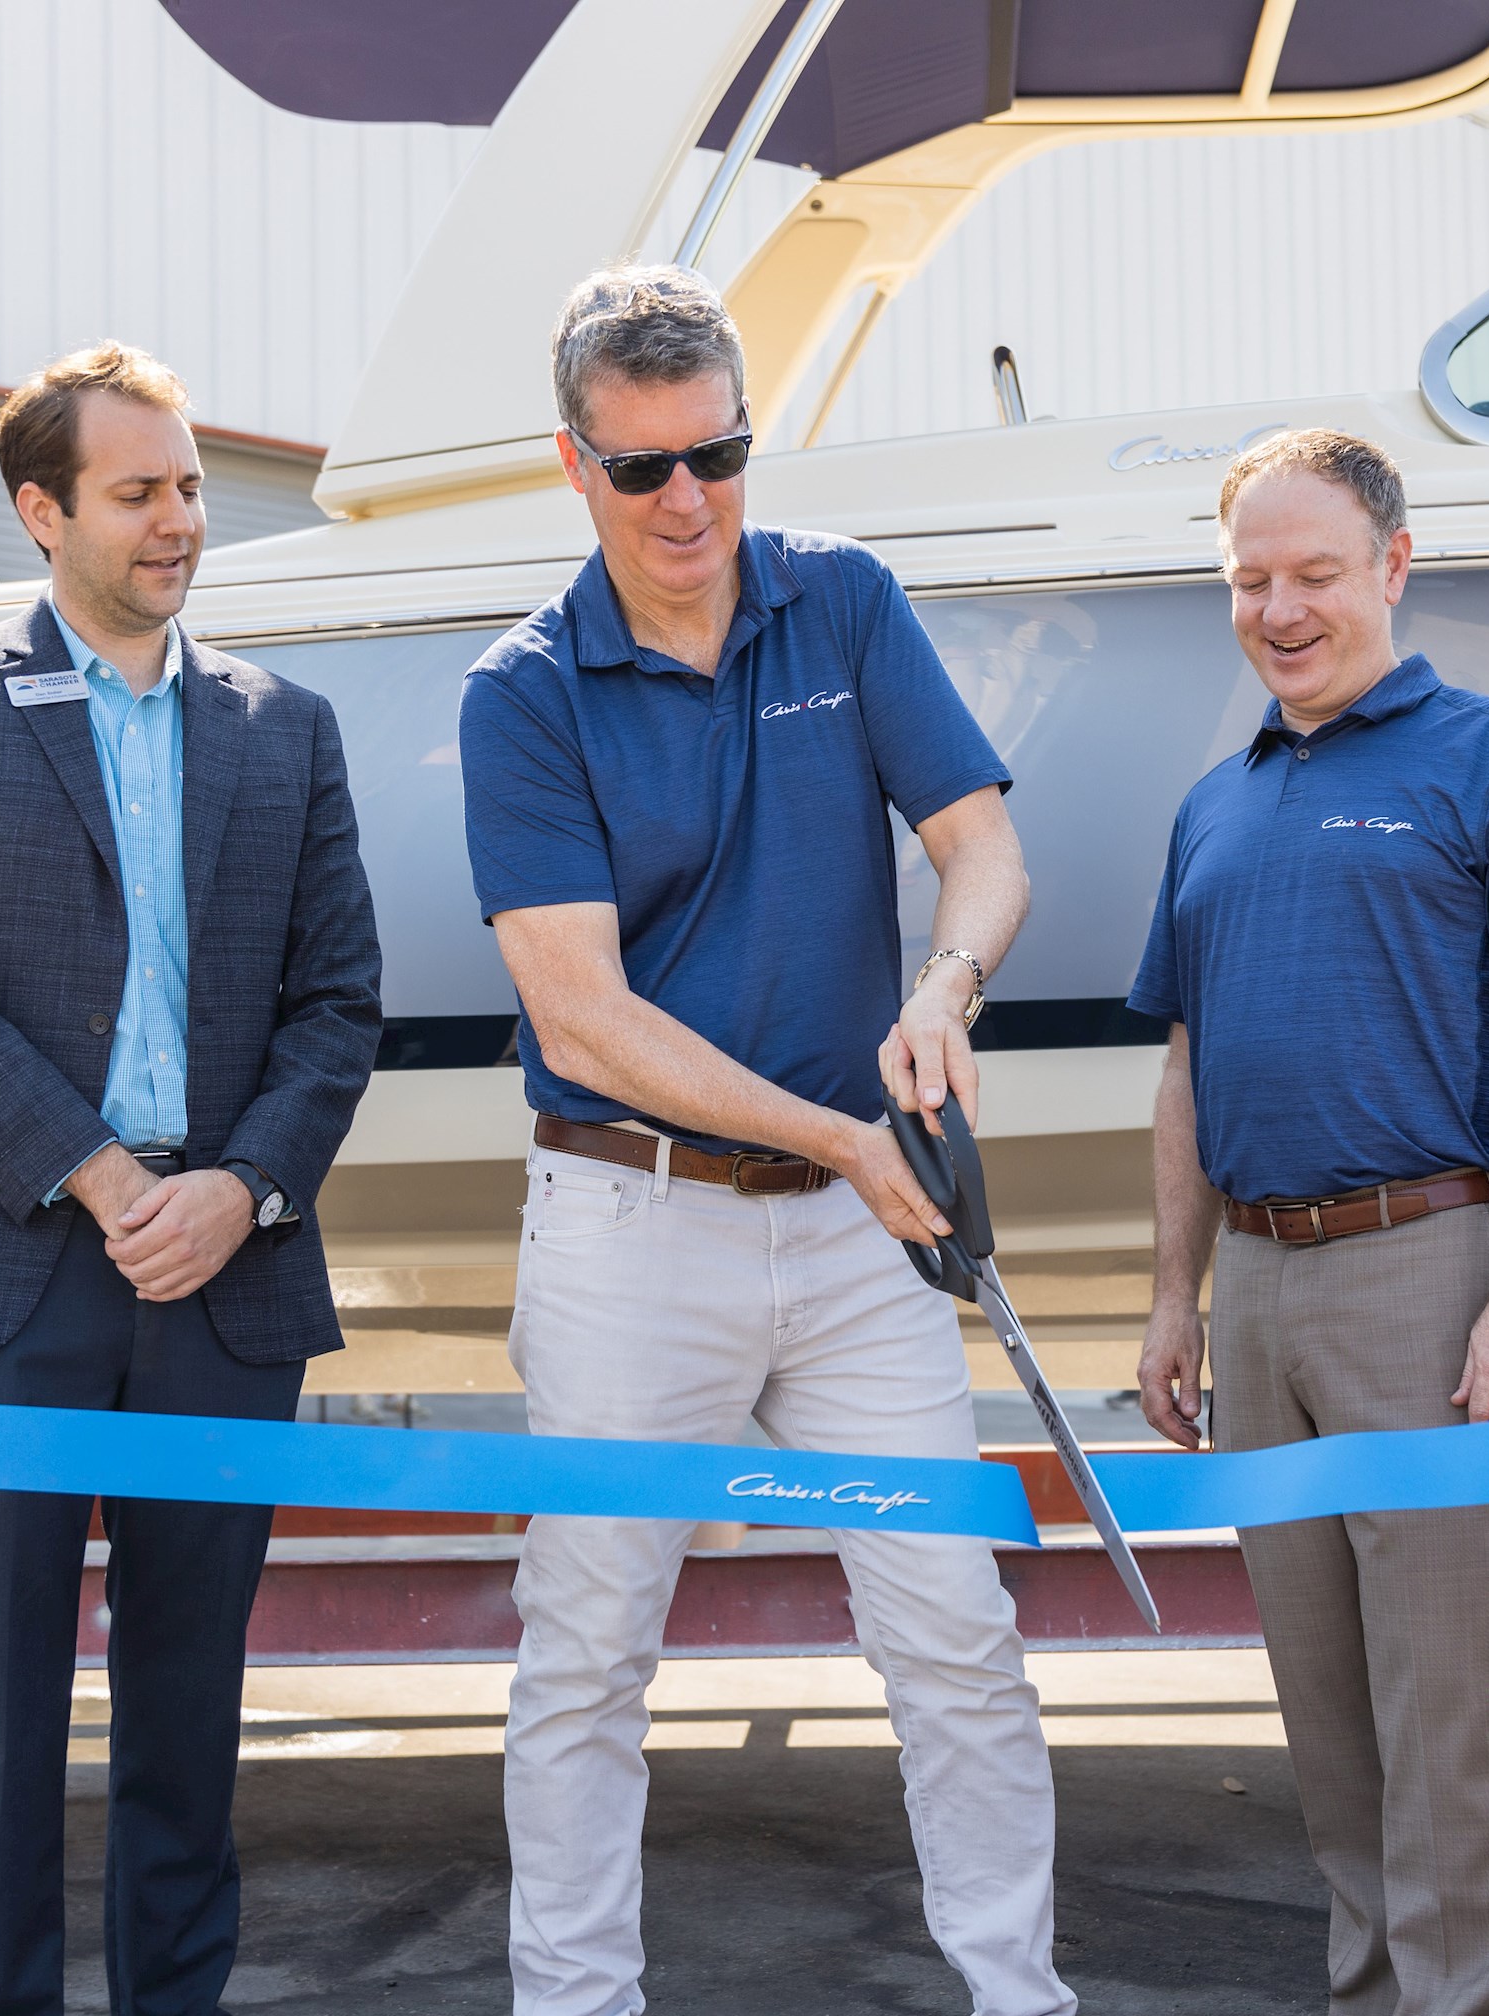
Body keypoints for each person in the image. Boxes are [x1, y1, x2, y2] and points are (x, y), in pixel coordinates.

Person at [458, 266, 1074, 2016]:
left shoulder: (843, 600)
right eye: (643, 467)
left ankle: (1020, 1995)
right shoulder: (523, 694)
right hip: (632, 1226)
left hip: (859, 1229)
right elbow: (585, 1017)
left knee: (954, 1631)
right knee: (587, 1653)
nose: (689, 502)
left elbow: (984, 849)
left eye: (718, 455)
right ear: (572, 464)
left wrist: (947, 986)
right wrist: (843, 1134)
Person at [0, 341, 383, 2016]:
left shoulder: (286, 728)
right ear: (42, 509)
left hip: (224, 1273)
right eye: (139, 492)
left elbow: (337, 1003)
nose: (180, 521)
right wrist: (89, 1172)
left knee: (189, 1724)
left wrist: (241, 1188)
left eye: (192, 488)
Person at [1130, 429, 1489, 2016]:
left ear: (1394, 567)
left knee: (1449, 1717)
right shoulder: (1214, 804)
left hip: (1429, 1274)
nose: (1281, 610)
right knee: (1332, 1725)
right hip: (1259, 1290)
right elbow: (1188, 1069)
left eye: (1315, 574)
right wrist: (1175, 1299)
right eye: (1250, 581)